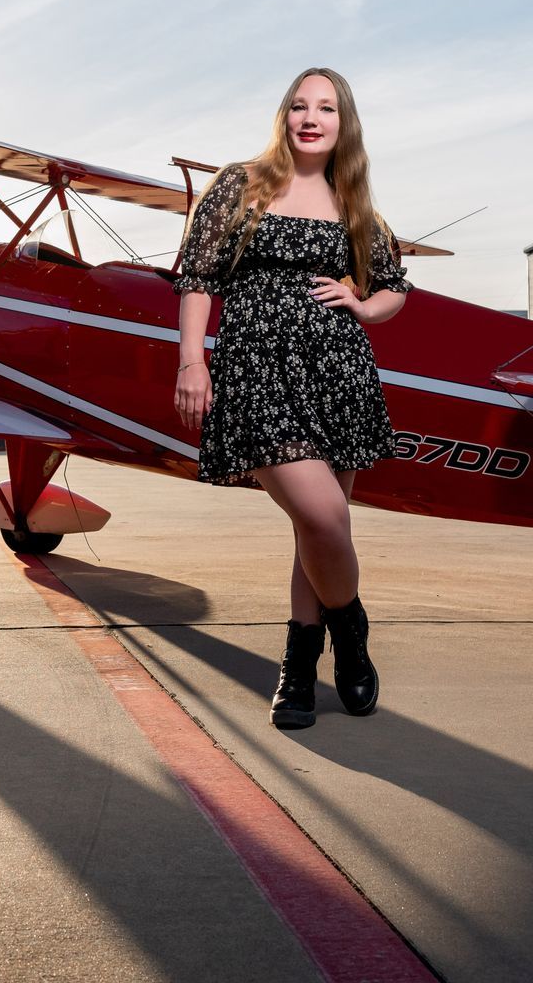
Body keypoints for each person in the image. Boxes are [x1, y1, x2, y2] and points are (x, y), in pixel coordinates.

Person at [171, 67, 413, 730]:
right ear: (283, 116)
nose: (311, 117)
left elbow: (395, 285)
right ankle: (353, 635)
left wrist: (364, 304)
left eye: (327, 108)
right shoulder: (240, 184)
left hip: (339, 370)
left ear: (344, 124)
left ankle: (299, 672)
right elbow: (198, 277)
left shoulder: (354, 202)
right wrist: (193, 360)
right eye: (299, 105)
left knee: (317, 526)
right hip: (255, 369)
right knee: (325, 517)